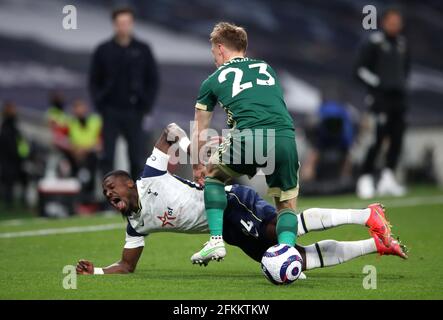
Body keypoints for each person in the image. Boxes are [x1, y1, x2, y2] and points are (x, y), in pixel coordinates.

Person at [75, 123, 407, 275]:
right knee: (295, 261)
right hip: (230, 232)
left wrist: (195, 156)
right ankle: (375, 245)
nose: (108, 193)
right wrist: (99, 272)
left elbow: (171, 131)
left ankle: (367, 214)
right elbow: (128, 266)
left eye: (112, 187)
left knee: (279, 233)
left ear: (129, 184)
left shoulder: (149, 177)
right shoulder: (135, 225)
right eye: (105, 194)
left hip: (233, 202)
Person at [190, 22, 299, 265]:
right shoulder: (267, 68)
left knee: (213, 175)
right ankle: (288, 257)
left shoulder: (213, 80)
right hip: (285, 138)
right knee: (286, 205)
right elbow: (267, 106)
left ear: (220, 48)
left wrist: (197, 165)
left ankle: (216, 241)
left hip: (250, 136)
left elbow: (199, 132)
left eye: (213, 53)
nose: (214, 58)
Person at [89, 6, 159, 179]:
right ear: (114, 24)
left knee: (137, 157)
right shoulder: (103, 49)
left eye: (127, 22)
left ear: (132, 23)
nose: (124, 26)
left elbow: (153, 79)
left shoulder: (143, 50)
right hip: (110, 110)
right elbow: (93, 80)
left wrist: (146, 104)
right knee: (107, 157)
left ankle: (136, 199)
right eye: (120, 22)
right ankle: (109, 197)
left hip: (134, 111)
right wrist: (100, 103)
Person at [354, 8, 410, 199]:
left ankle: (388, 177)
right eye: (391, 21)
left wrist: (399, 85)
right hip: (379, 100)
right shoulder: (374, 43)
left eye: (398, 22)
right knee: (376, 139)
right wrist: (379, 84)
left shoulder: (402, 44)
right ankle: (365, 178)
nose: (395, 25)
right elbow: (359, 70)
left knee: (397, 138)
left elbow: (406, 70)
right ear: (384, 22)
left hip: (398, 100)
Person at [66, 100, 102, 202]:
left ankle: (92, 199)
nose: (79, 111)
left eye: (81, 107)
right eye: (77, 108)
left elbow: (101, 142)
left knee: (92, 175)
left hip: (92, 156)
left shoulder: (95, 121)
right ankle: (75, 199)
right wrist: (74, 150)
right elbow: (66, 141)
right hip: (75, 157)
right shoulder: (70, 123)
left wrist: (86, 149)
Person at [0, 101, 30, 208]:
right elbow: (8, 143)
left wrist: (22, 154)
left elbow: (20, 142)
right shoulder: (6, 126)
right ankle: (8, 205)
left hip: (17, 159)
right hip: (8, 160)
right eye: (12, 109)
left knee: (23, 180)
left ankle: (22, 203)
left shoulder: (14, 125)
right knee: (9, 183)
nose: (14, 111)